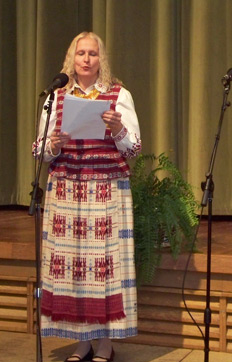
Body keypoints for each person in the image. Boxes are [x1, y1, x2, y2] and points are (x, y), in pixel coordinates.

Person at [32, 31, 141, 362]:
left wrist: (118, 127)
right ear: (72, 57)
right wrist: (53, 143)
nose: (86, 59)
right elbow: (38, 150)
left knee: (105, 270)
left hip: (106, 191)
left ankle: (105, 343)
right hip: (67, 192)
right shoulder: (57, 97)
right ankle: (81, 342)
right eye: (81, 53)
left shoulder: (118, 95)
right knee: (73, 272)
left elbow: (135, 146)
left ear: (100, 59)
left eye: (93, 54)